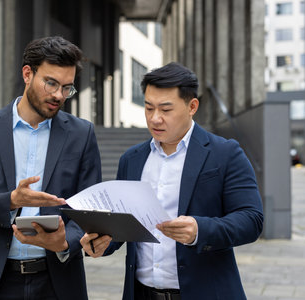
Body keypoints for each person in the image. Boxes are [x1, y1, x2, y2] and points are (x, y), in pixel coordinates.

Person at [80, 62, 263, 300]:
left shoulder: (225, 153)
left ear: (192, 106)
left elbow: (251, 219)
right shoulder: (132, 159)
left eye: (166, 110)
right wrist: (102, 243)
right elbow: (123, 226)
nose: (155, 119)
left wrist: (200, 230)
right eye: (148, 108)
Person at [0, 36, 101, 300]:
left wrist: (65, 243)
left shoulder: (81, 133)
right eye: (51, 83)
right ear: (27, 74)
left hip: (59, 282)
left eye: (67, 88)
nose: (58, 95)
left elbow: (91, 211)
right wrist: (10, 200)